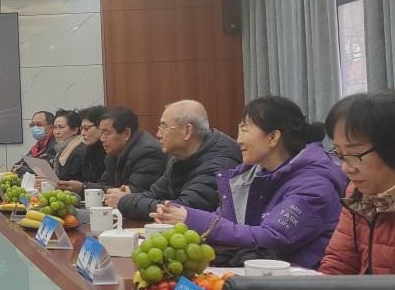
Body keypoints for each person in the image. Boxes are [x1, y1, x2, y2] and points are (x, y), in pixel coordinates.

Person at [153, 96, 345, 268]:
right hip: (261, 277)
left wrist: (192, 219)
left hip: (300, 284)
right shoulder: (255, 174)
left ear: (273, 137)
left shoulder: (314, 184)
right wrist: (181, 218)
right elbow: (225, 218)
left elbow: (272, 237)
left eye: (245, 129)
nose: (238, 140)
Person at [109, 100, 240, 221]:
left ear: (187, 131)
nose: (158, 134)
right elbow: (154, 193)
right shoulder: (180, 156)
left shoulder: (219, 163)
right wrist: (129, 197)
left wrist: (124, 201)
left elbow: (183, 210)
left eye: (164, 127)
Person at [319, 91, 395, 275]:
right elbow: (339, 262)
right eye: (339, 154)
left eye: (354, 154)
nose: (345, 168)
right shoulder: (358, 193)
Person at [95, 106, 167, 196]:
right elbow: (104, 184)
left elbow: (134, 192)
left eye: (106, 133)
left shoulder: (147, 152)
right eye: (101, 133)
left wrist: (85, 187)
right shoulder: (114, 153)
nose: (102, 139)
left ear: (126, 134)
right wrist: (83, 187)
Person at [57, 106, 107, 194]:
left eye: (86, 128)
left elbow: (109, 186)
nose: (83, 133)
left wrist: (83, 187)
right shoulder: (90, 149)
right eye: (82, 129)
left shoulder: (110, 152)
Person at [51, 109, 86, 181]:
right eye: (54, 128)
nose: (57, 132)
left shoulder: (80, 151)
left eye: (61, 127)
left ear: (75, 130)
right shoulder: (60, 148)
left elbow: (72, 180)